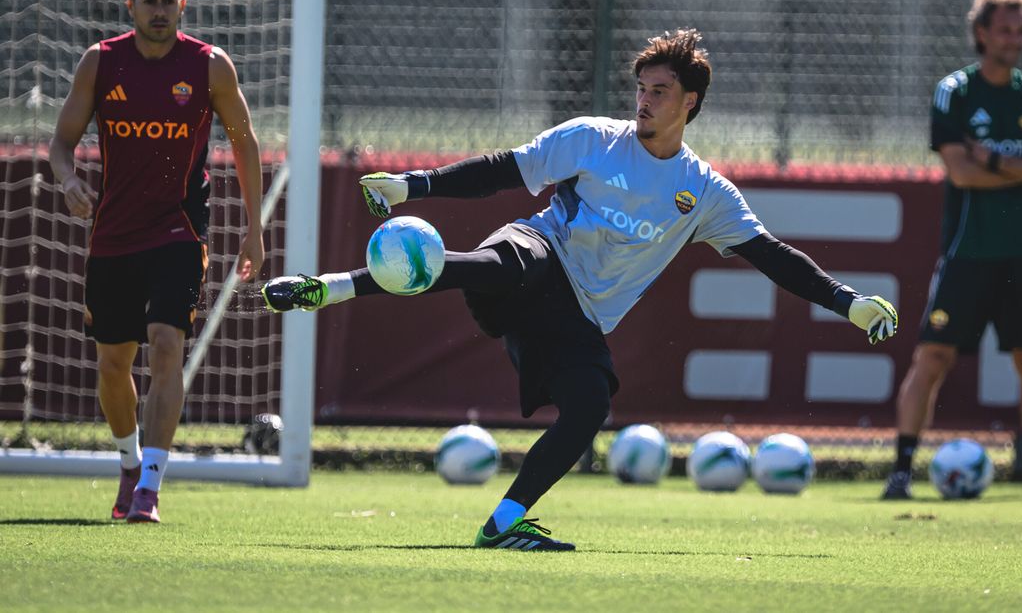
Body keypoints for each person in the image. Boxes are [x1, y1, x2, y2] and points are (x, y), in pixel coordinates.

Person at [263, 29, 899, 550]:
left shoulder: (704, 193)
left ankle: (505, 523)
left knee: (590, 406)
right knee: (512, 264)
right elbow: (500, 171)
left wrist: (848, 301)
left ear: (691, 103)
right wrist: (414, 187)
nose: (644, 101)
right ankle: (335, 286)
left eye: (660, 92)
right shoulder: (594, 139)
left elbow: (772, 257)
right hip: (535, 250)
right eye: (641, 89)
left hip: (576, 314)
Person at [49, 0, 265, 522]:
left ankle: (150, 486)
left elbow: (245, 145)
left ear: (183, 5)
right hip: (113, 234)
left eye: (170, 0)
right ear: (131, 6)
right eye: (150, 1)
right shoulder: (100, 63)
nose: (161, 11)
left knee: (167, 344)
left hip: (179, 230)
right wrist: (69, 180)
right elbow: (59, 144)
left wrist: (254, 230)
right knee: (113, 364)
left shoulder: (210, 66)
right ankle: (127, 461)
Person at [882, 0, 1022, 500]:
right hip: (967, 254)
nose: (1013, 39)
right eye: (1004, 30)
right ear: (981, 33)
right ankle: (901, 472)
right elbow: (959, 174)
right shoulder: (955, 92)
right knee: (932, 360)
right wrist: (1019, 168)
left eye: (1020, 30)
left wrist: (991, 158)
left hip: (1020, 255)